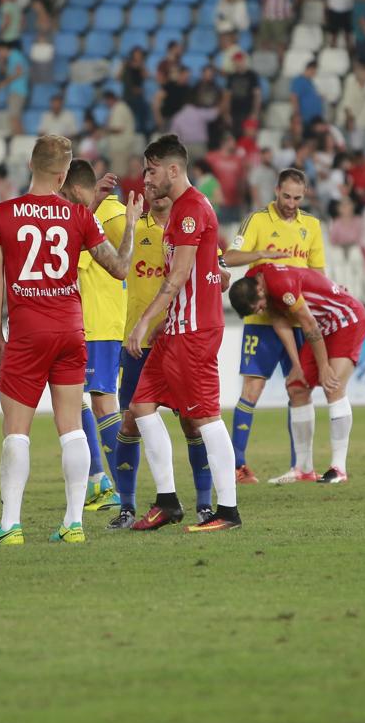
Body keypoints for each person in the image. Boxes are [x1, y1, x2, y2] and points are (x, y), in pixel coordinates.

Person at [0, 135, 141, 546]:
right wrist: (132, 225)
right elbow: (120, 268)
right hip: (71, 329)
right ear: (65, 174)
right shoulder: (79, 217)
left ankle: (10, 525)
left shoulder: (2, 215)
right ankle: (73, 524)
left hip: (28, 331)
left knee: (17, 431)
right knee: (72, 428)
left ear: (31, 165)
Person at [125, 133, 243, 533]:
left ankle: (227, 512)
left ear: (173, 169)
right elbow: (206, 265)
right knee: (141, 406)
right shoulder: (181, 211)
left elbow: (176, 279)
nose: (147, 177)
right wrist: (217, 273)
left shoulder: (191, 209)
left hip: (193, 331)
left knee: (206, 418)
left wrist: (143, 323)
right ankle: (168, 502)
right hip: (175, 330)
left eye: (152, 170)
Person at [222, 168, 325, 485]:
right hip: (263, 320)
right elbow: (230, 257)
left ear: (304, 194)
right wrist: (261, 253)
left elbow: (317, 274)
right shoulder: (257, 220)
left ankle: (301, 467)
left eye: (297, 197)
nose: (291, 203)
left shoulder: (311, 226)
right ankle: (238, 466)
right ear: (276, 191)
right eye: (286, 196)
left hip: (297, 319)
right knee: (252, 390)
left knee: (300, 389)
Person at [228, 264, 365, 484]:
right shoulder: (254, 281)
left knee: (333, 386)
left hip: (345, 319)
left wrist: (323, 367)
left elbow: (309, 325)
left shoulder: (281, 285)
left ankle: (338, 468)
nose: (261, 311)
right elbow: (280, 321)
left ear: (260, 291)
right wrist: (296, 364)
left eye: (259, 307)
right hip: (323, 326)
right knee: (296, 387)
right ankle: (303, 469)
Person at [59, 159, 128, 514]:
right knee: (79, 401)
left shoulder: (110, 215)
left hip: (98, 321)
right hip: (84, 320)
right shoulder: (87, 212)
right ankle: (99, 481)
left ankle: (119, 489)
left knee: (101, 402)